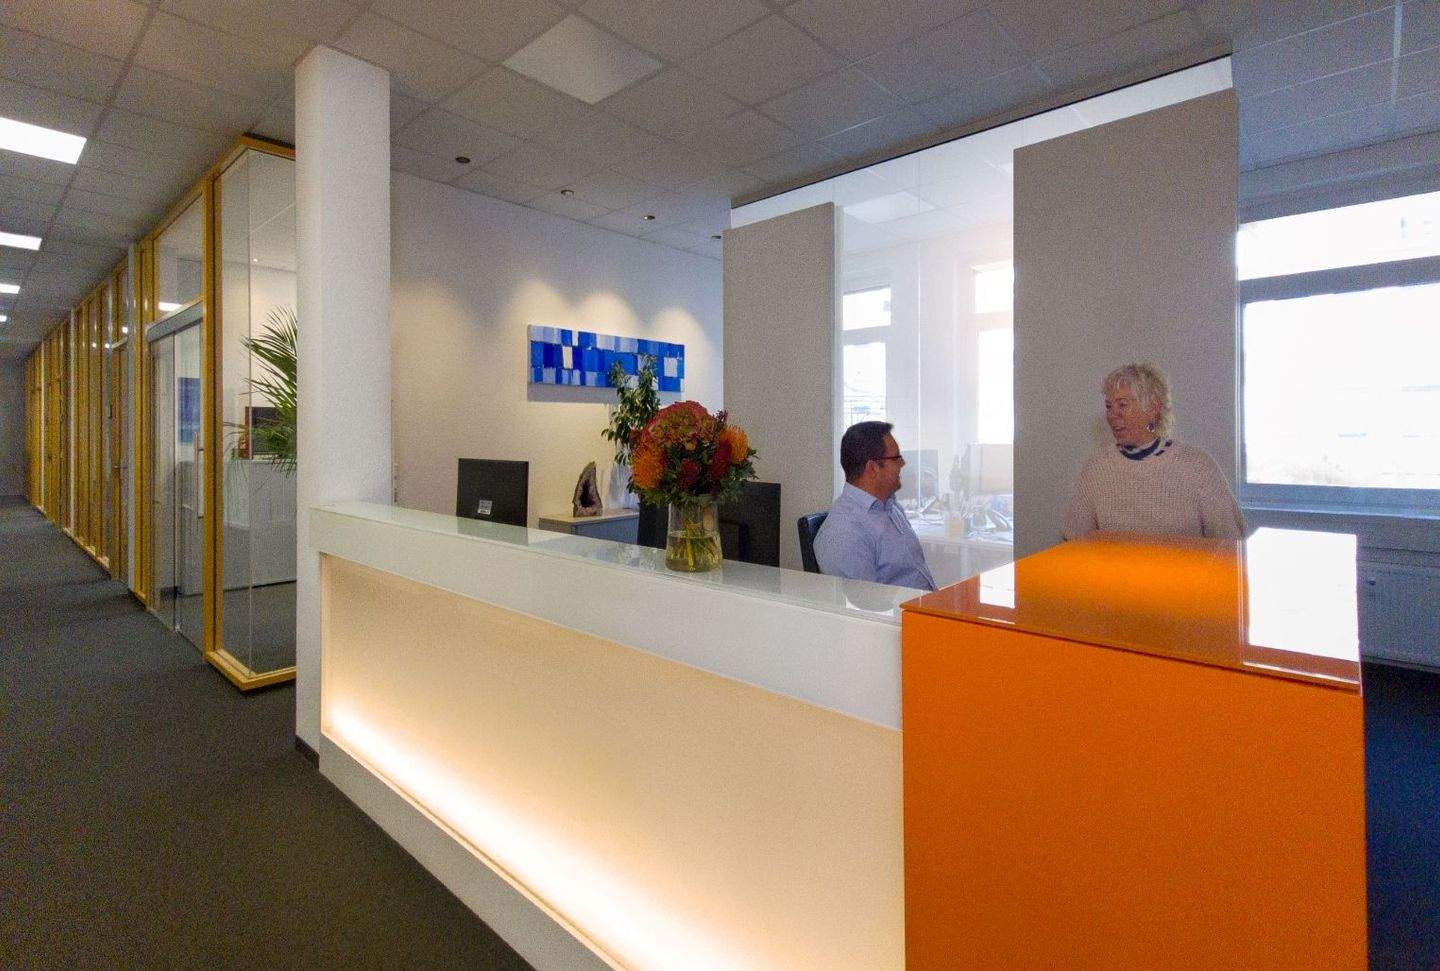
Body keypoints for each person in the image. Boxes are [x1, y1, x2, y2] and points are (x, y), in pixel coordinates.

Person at [1064, 363, 1244, 541]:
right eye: (1109, 406)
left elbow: (1231, 542)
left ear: (1153, 409)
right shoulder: (1098, 467)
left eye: (1122, 405)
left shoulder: (1197, 466)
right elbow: (1074, 540)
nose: (1112, 415)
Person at [814, 421, 937, 590]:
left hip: (925, 602)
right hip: (902, 608)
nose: (902, 463)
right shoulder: (844, 534)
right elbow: (864, 604)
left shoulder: (889, 507)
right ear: (872, 468)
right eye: (896, 458)